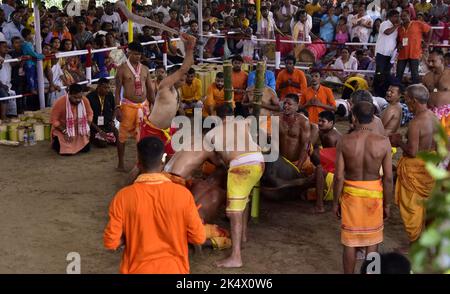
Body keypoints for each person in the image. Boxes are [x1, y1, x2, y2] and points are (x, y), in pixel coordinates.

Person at [104, 137, 206, 274]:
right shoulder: (183, 195)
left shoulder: (123, 197)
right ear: (163, 161)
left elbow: (111, 242)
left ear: (139, 163)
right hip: (175, 269)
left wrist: (128, 236)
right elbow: (199, 237)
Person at [333, 101, 393, 274]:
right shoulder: (383, 142)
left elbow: (338, 176)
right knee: (372, 243)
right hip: (374, 197)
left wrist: (335, 202)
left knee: (350, 243)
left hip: (351, 196)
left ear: (353, 117)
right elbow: (388, 178)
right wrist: (387, 204)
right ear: (373, 117)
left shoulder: (344, 141)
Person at [206, 104, 264, 268]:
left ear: (217, 117)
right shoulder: (244, 122)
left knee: (233, 213)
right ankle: (243, 236)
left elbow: (217, 161)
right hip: (258, 162)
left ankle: (236, 257)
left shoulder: (210, 134)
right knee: (243, 200)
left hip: (240, 167)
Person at [389, 84, 437, 253]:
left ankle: (416, 244)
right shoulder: (434, 117)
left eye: (407, 99)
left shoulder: (416, 122)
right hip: (430, 167)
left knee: (413, 208)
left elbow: (412, 151)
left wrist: (398, 142)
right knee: (428, 206)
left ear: (414, 101)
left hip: (415, 168)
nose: (406, 102)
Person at [140, 34, 197, 157]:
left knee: (171, 158)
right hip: (152, 129)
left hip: (166, 130)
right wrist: (190, 48)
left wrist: (189, 48)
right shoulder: (165, 85)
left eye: (185, 77)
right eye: (181, 77)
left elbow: (189, 64)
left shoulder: (177, 91)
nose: (184, 78)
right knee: (143, 165)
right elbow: (183, 69)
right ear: (173, 76)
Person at [115, 42, 154, 171]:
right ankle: (120, 164)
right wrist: (117, 107)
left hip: (144, 106)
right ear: (129, 53)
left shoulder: (145, 69)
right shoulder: (121, 69)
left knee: (143, 135)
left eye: (140, 54)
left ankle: (141, 162)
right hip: (128, 106)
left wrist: (153, 104)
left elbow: (149, 88)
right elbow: (117, 90)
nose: (138, 57)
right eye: (135, 54)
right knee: (122, 136)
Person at [50, 84, 93, 155]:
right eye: (75, 97)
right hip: (62, 130)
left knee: (86, 149)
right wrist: (65, 131)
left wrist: (87, 127)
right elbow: (54, 120)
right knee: (66, 152)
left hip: (79, 129)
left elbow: (90, 114)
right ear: (69, 94)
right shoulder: (60, 102)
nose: (78, 100)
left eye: (80, 97)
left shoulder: (84, 100)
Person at [312, 110, 342, 213]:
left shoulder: (331, 137)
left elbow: (336, 157)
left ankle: (319, 205)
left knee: (319, 168)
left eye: (323, 121)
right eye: (319, 120)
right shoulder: (322, 131)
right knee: (314, 152)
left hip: (339, 163)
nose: (319, 123)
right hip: (330, 160)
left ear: (331, 123)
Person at [396, 10, 431, 85]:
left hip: (414, 53)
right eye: (401, 16)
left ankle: (416, 93)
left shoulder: (417, 23)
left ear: (409, 15)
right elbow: (398, 40)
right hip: (402, 54)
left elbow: (430, 29)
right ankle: (397, 91)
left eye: (404, 16)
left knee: (414, 75)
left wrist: (427, 42)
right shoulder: (399, 28)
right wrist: (398, 45)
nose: (403, 18)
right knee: (398, 74)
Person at [422, 49, 450, 137]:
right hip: (430, 114)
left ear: (442, 61)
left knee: (445, 144)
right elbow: (422, 96)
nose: (430, 64)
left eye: (433, 61)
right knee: (431, 142)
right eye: (429, 61)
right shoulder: (427, 77)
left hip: (447, 115)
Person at [374, 10, 400, 97]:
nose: (397, 18)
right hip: (381, 53)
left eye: (398, 16)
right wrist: (396, 26)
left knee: (386, 74)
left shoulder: (395, 27)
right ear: (391, 17)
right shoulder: (384, 23)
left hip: (390, 54)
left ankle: (383, 92)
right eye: (396, 16)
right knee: (379, 73)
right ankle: (376, 92)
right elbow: (387, 32)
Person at [87, 78, 117, 148]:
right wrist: (99, 130)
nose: (107, 90)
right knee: (102, 144)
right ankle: (93, 137)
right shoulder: (89, 97)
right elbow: (87, 116)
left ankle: (107, 137)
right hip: (95, 126)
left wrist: (112, 120)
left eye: (108, 88)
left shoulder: (109, 95)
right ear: (99, 87)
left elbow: (115, 108)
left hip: (107, 124)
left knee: (118, 140)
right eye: (105, 88)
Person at [21, 28, 45, 96]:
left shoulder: (29, 43)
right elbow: (33, 54)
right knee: (30, 76)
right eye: (31, 34)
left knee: (34, 76)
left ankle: (34, 88)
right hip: (29, 63)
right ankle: (32, 89)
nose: (32, 35)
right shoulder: (26, 44)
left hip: (32, 63)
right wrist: (42, 56)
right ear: (28, 35)